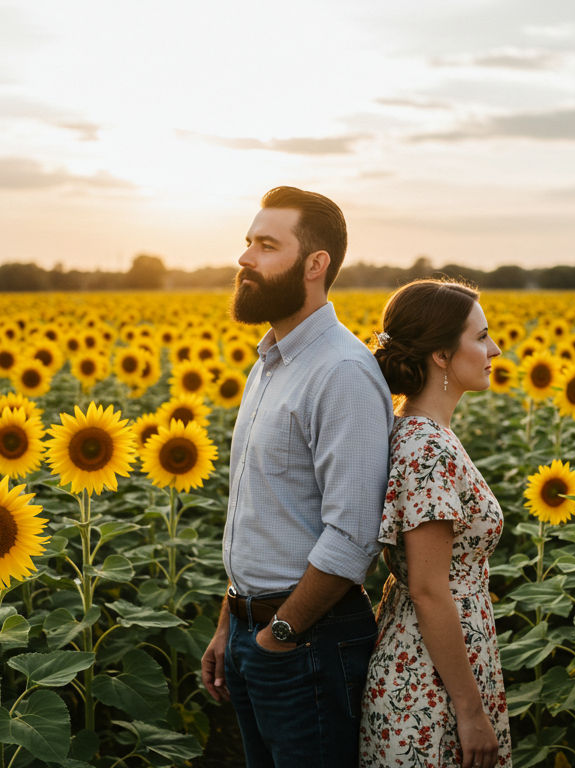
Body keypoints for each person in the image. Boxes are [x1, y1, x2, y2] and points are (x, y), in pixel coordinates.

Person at [201, 186, 395, 768]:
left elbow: (353, 535)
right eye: (247, 243)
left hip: (307, 638)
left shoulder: (340, 372)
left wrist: (277, 636)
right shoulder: (271, 361)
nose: (245, 259)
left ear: (316, 265)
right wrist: (229, 622)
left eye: (266, 245)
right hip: (254, 628)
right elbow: (258, 511)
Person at [360, 279, 511, 768]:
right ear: (442, 355)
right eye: (481, 337)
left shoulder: (420, 430)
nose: (495, 349)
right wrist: (470, 713)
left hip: (432, 660)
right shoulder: (427, 447)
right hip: (429, 679)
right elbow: (429, 588)